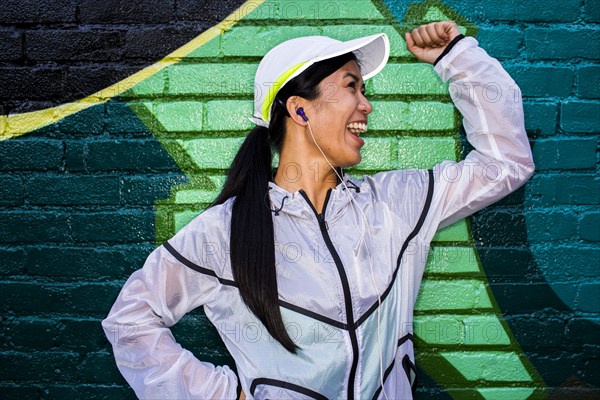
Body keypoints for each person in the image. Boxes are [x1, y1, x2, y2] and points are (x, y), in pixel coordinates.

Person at [102, 21, 534, 400]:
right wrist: (221, 394)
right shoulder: (224, 231)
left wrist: (457, 58)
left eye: (363, 90)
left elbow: (505, 164)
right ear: (300, 108)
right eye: (351, 86)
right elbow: (130, 320)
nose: (367, 106)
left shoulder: (397, 203)